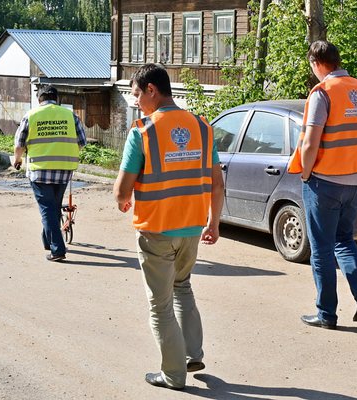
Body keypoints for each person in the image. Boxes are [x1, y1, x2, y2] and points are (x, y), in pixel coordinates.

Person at [113, 63, 224, 391]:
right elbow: (217, 184)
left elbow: (121, 191)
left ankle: (173, 374)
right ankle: (192, 353)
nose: (135, 102)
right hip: (192, 228)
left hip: (156, 230)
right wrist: (213, 223)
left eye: (136, 94)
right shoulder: (203, 128)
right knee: (183, 286)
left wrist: (122, 199)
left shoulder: (142, 131)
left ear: (151, 90)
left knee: (159, 304)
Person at [288, 40, 357, 329]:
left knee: (322, 249)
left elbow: (312, 139)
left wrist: (305, 174)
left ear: (316, 63)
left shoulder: (322, 93)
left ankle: (326, 313)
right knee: (344, 240)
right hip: (354, 181)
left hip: (324, 181)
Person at [13, 85, 86, 262]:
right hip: (64, 170)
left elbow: (19, 143)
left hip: (39, 171)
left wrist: (17, 160)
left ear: (39, 99)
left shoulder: (31, 115)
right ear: (57, 98)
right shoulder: (70, 115)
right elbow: (82, 141)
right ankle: (48, 241)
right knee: (53, 207)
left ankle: (57, 250)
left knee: (47, 210)